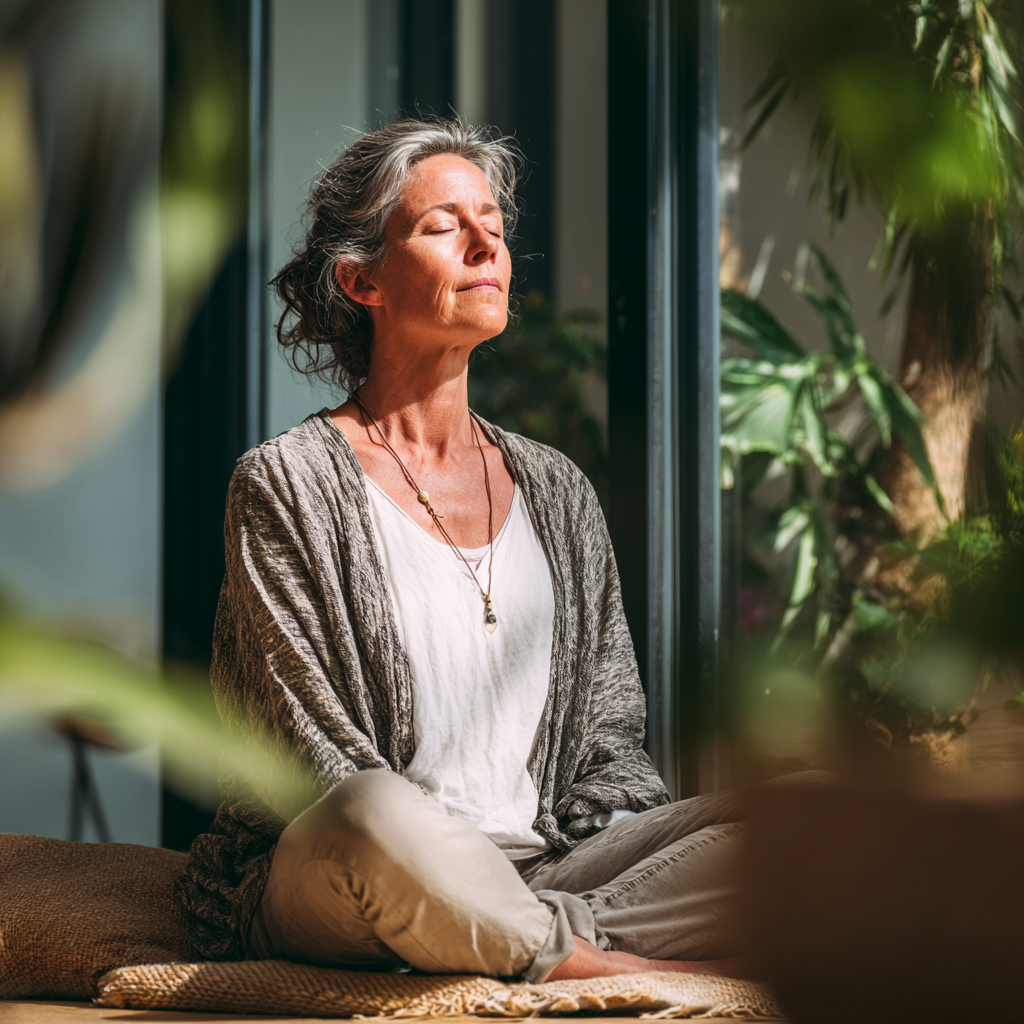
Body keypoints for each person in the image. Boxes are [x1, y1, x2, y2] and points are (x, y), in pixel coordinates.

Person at [177, 117, 748, 982]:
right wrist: (444, 863)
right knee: (375, 813)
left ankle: (506, 937)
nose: (488, 244)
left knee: (812, 818)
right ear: (361, 279)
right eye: (445, 225)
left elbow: (611, 744)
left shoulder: (557, 490)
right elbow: (311, 759)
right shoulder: (287, 482)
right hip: (345, 859)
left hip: (547, 863)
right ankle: (597, 964)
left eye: (494, 223)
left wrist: (582, 859)